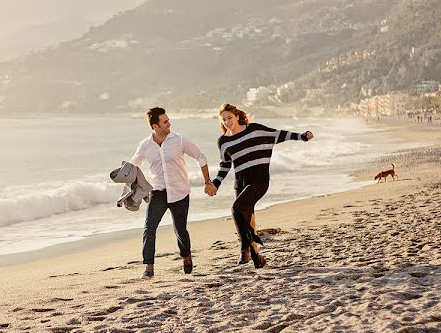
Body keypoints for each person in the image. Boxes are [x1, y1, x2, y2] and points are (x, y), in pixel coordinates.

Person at [205, 103, 314, 268]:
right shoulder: (224, 141)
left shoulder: (254, 130)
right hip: (240, 183)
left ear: (237, 116)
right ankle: (257, 259)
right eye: (224, 119)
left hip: (259, 181)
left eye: (230, 118)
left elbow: (277, 135)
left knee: (236, 209)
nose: (227, 122)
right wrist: (215, 184)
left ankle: (244, 250)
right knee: (246, 220)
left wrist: (302, 136)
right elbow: (225, 166)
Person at [130, 107, 212, 278]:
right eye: (165, 121)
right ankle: (149, 266)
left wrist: (207, 182)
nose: (169, 123)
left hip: (180, 191)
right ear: (155, 126)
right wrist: (124, 184)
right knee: (149, 227)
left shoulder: (179, 140)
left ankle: (186, 257)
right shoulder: (145, 145)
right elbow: (133, 166)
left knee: (180, 229)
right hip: (158, 192)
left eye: (168, 120)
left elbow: (200, 157)